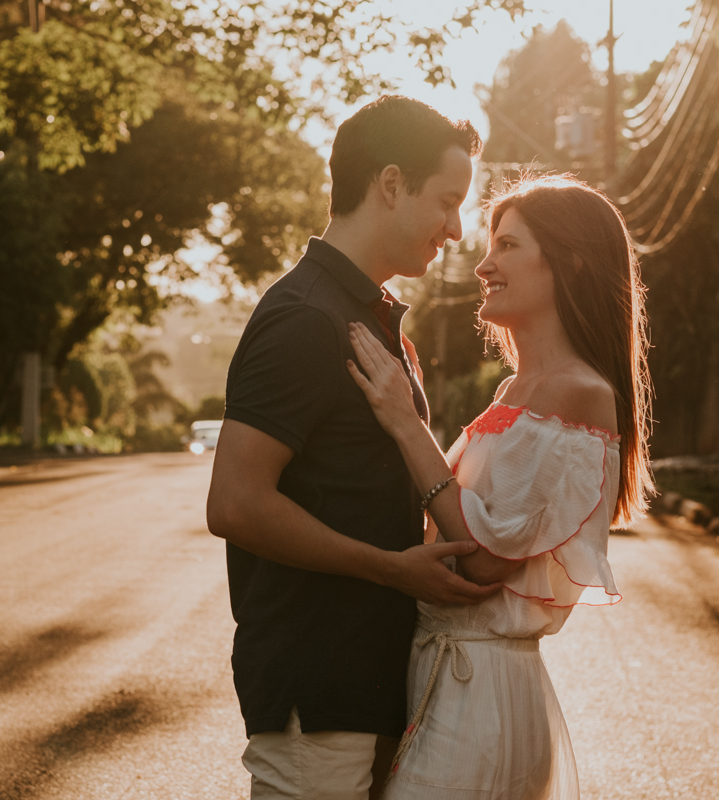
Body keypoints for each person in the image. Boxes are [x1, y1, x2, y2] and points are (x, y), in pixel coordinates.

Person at [206, 95, 501, 800]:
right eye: (447, 201)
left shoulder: (366, 320)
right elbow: (236, 503)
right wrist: (393, 570)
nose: (457, 230)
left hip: (368, 689)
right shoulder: (305, 319)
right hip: (319, 693)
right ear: (391, 184)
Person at [345, 173, 653, 799]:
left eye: (508, 246)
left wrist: (408, 426)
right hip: (446, 677)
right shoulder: (515, 391)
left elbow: (484, 561)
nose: (484, 265)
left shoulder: (579, 391)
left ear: (568, 260)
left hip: (480, 694)